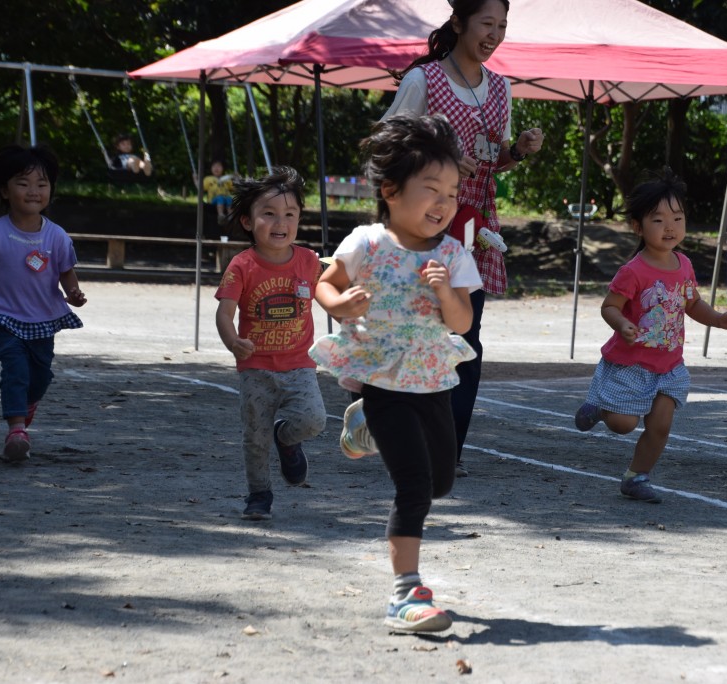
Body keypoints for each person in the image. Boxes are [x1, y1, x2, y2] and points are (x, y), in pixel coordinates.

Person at [310, 114, 482, 633]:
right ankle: (406, 592)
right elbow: (325, 283)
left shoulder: (453, 255)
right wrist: (341, 303)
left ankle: (362, 425)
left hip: (430, 377)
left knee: (442, 480)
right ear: (390, 190)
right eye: (431, 189)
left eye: (452, 192)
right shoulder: (368, 242)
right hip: (383, 377)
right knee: (414, 486)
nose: (444, 203)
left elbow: (463, 323)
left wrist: (445, 293)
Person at [383, 0, 544, 477]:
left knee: (465, 341)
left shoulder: (501, 89)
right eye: (486, 24)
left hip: (473, 232)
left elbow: (493, 160)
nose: (494, 35)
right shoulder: (424, 81)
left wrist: (518, 151)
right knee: (419, 336)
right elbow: (385, 148)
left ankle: (445, 451)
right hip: (425, 229)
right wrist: (440, 159)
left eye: (502, 26)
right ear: (458, 24)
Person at [573, 169, 727, 503]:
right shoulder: (633, 271)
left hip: (668, 366)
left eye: (677, 218)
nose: (670, 227)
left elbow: (692, 304)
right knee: (622, 423)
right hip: (630, 364)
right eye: (658, 220)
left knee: (660, 426)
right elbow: (610, 306)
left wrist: (720, 319)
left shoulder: (684, 264)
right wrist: (622, 324)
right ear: (637, 226)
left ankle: (636, 477)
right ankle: (599, 405)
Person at [0, 144, 87, 462]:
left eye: (42, 184)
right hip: (3, 316)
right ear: (4, 190)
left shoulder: (57, 237)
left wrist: (74, 293)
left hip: (45, 317)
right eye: (23, 183)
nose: (33, 191)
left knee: (40, 375)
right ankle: (16, 430)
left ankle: (27, 405)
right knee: (15, 369)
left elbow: (66, 273)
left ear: (51, 191)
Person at [214, 166, 326, 521]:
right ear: (248, 222)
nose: (281, 222)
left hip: (300, 364)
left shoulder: (309, 260)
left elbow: (331, 293)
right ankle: (259, 495)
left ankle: (288, 440)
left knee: (314, 420)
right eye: (269, 214)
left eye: (290, 214)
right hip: (256, 369)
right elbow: (224, 313)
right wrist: (233, 341)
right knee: (255, 437)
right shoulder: (242, 265)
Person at [202, 160, 235, 225]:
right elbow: (200, 188)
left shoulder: (226, 179)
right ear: (211, 168)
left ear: (223, 168)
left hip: (226, 198)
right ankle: (221, 215)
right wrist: (196, 181)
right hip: (213, 200)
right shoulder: (208, 179)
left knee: (229, 198)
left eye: (219, 166)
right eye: (214, 166)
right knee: (220, 197)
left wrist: (237, 179)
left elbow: (234, 188)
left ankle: (230, 215)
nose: (216, 168)